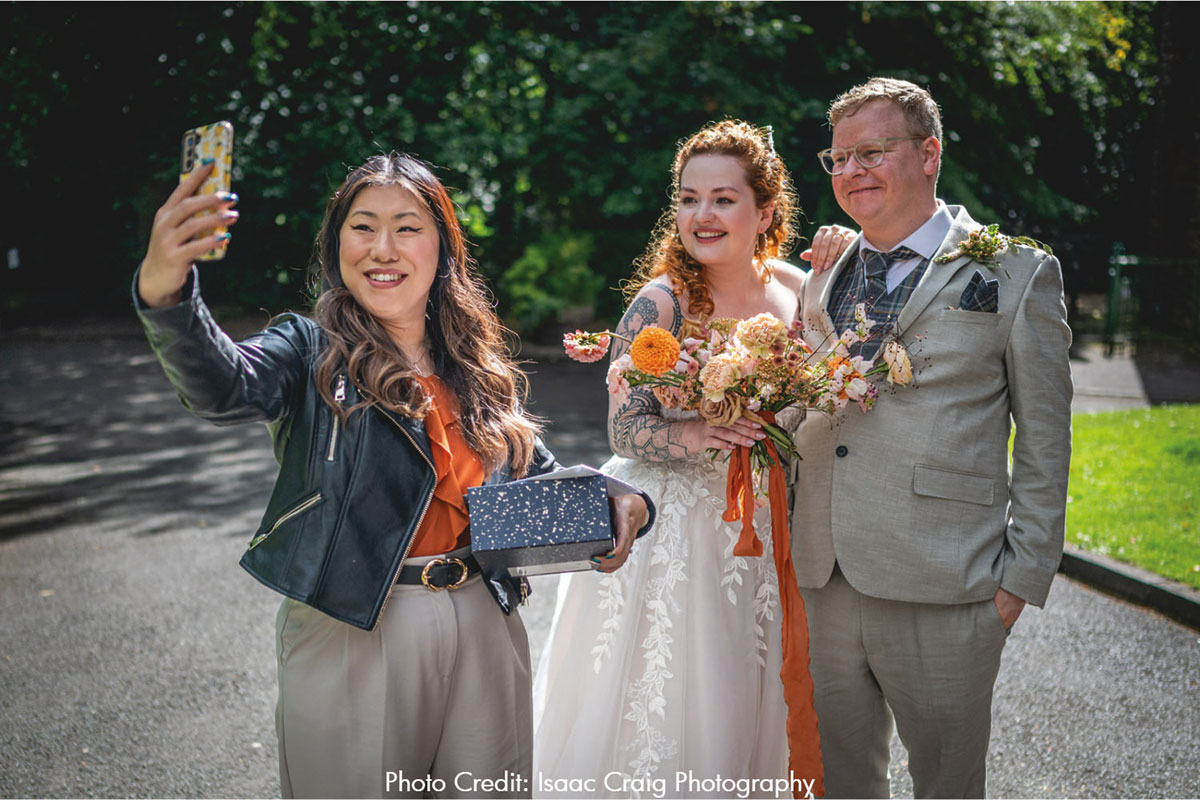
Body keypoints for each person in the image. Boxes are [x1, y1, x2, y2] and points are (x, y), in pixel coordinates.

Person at [133, 152, 653, 798]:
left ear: (442, 248)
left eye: (407, 227)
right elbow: (221, 385)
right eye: (363, 226)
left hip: (484, 619)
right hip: (355, 627)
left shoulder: (475, 363)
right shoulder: (309, 349)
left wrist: (616, 495)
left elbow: (528, 472)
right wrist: (166, 288)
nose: (383, 247)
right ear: (336, 244)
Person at [532, 120, 852, 797]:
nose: (701, 215)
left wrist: (843, 254)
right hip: (671, 531)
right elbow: (624, 428)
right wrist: (700, 436)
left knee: (750, 689)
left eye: (723, 199)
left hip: (765, 527)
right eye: (688, 198)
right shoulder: (663, 302)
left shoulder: (799, 291)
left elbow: (826, 383)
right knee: (675, 689)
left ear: (765, 212)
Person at [786, 77, 1072, 798]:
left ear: (929, 154)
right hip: (825, 576)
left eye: (872, 152)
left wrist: (1020, 581)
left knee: (947, 784)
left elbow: (1046, 439)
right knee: (844, 782)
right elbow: (803, 405)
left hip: (950, 583)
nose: (851, 172)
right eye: (838, 158)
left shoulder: (1014, 271)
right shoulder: (825, 272)